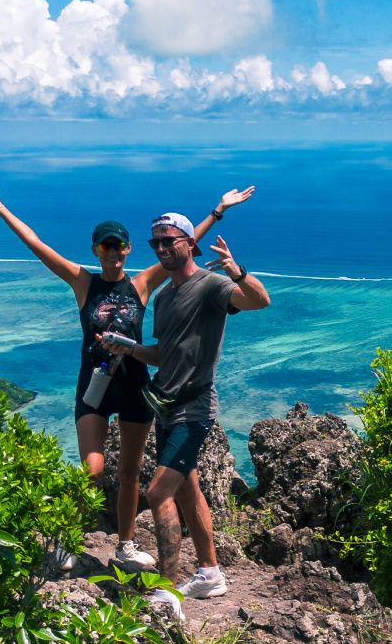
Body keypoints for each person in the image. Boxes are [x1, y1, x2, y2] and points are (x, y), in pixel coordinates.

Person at [0, 172, 254, 570]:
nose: (112, 253)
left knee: (130, 473)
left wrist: (217, 212)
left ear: (129, 250)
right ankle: (66, 539)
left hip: (134, 386)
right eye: (105, 246)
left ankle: (126, 545)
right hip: (93, 387)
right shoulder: (83, 282)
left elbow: (181, 246)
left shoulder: (143, 284)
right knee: (93, 470)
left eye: (119, 246)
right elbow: (36, 245)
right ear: (96, 250)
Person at [101, 213, 270, 619]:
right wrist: (129, 348)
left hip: (194, 409)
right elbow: (165, 352)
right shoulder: (164, 298)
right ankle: (210, 574)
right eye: (155, 243)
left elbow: (259, 300)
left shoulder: (211, 285)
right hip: (165, 404)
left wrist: (239, 272)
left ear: (190, 244)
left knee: (157, 492)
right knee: (185, 488)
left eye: (170, 241)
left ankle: (167, 591)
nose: (161, 248)